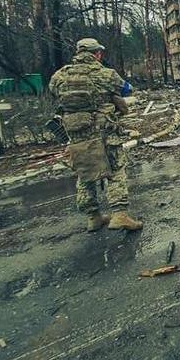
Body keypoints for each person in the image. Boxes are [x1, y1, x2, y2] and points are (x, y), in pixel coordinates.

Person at [49, 38, 142, 232]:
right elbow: (127, 89)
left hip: (76, 135)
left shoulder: (59, 76)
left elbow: (53, 93)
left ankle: (93, 217)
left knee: (84, 174)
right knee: (115, 171)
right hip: (104, 133)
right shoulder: (106, 74)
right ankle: (119, 215)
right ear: (97, 54)